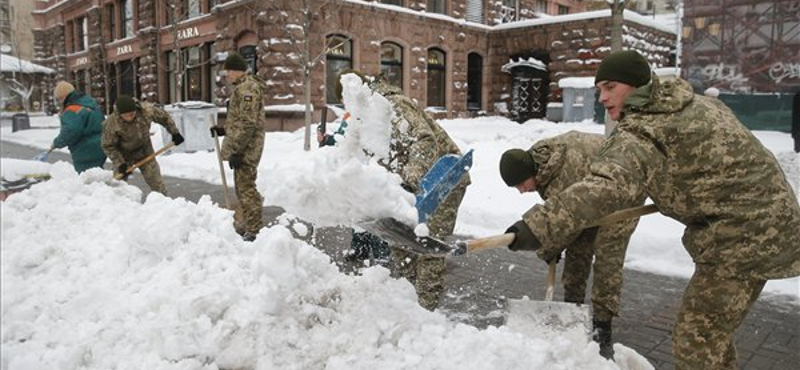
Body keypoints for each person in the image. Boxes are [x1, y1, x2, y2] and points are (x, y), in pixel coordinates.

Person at [502, 50, 800, 369]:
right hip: (762, 220)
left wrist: (535, 229)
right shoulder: (687, 105)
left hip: (744, 233)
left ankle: (602, 323)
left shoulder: (644, 132)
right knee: (713, 336)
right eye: (598, 89)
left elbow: (603, 189)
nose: (602, 97)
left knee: (695, 340)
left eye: (610, 87)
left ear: (635, 85)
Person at [499, 131, 644, 358]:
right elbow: (569, 218)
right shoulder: (539, 160)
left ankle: (602, 328)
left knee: (608, 259)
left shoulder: (561, 176)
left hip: (624, 191)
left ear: (530, 172)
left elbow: (566, 222)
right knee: (579, 249)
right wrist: (554, 245)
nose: (522, 191)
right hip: (588, 190)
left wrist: (550, 247)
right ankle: (573, 308)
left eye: (521, 184)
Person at [338, 70, 471, 310]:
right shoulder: (365, 118)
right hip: (414, 184)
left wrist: (407, 179)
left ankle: (426, 312)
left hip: (445, 177)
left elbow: (424, 139)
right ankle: (413, 305)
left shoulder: (391, 105)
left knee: (428, 245)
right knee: (400, 241)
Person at [209, 52, 266, 242]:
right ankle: (248, 222)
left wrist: (237, 151)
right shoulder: (242, 88)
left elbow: (248, 124)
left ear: (236, 71)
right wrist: (224, 130)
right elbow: (240, 121)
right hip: (243, 147)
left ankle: (254, 228)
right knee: (242, 188)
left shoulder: (247, 89)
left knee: (247, 188)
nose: (227, 76)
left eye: (228, 72)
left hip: (246, 149)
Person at [101, 95, 184, 195]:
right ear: (120, 114)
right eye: (126, 115)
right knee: (117, 185)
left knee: (156, 182)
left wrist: (174, 132)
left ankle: (163, 202)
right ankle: (116, 205)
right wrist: (120, 163)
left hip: (145, 150)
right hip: (123, 154)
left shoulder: (146, 111)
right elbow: (107, 145)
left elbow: (164, 117)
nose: (130, 117)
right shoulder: (112, 123)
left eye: (132, 114)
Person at [50, 81, 107, 172]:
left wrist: (56, 143)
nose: (60, 102)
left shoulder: (72, 110)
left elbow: (70, 132)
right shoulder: (90, 103)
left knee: (86, 179)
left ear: (64, 96)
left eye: (59, 99)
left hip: (85, 151)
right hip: (100, 146)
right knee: (97, 176)